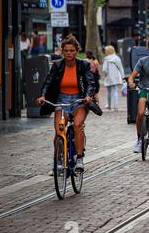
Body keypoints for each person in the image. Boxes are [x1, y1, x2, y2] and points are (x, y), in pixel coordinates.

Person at [35, 36, 95, 172]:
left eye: (72, 50)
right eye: (66, 50)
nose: (69, 53)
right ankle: (59, 160)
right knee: (59, 130)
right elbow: (48, 82)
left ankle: (79, 158)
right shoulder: (57, 65)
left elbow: (90, 82)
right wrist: (43, 95)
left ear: (76, 51)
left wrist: (88, 96)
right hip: (61, 100)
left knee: (77, 125)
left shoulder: (83, 65)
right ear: (62, 51)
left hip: (79, 100)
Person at [102, 45, 125, 111]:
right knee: (115, 91)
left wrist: (106, 75)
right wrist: (123, 77)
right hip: (116, 77)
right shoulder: (117, 58)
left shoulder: (106, 59)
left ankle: (109, 105)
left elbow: (104, 69)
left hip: (108, 77)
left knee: (108, 92)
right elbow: (121, 68)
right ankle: (116, 106)